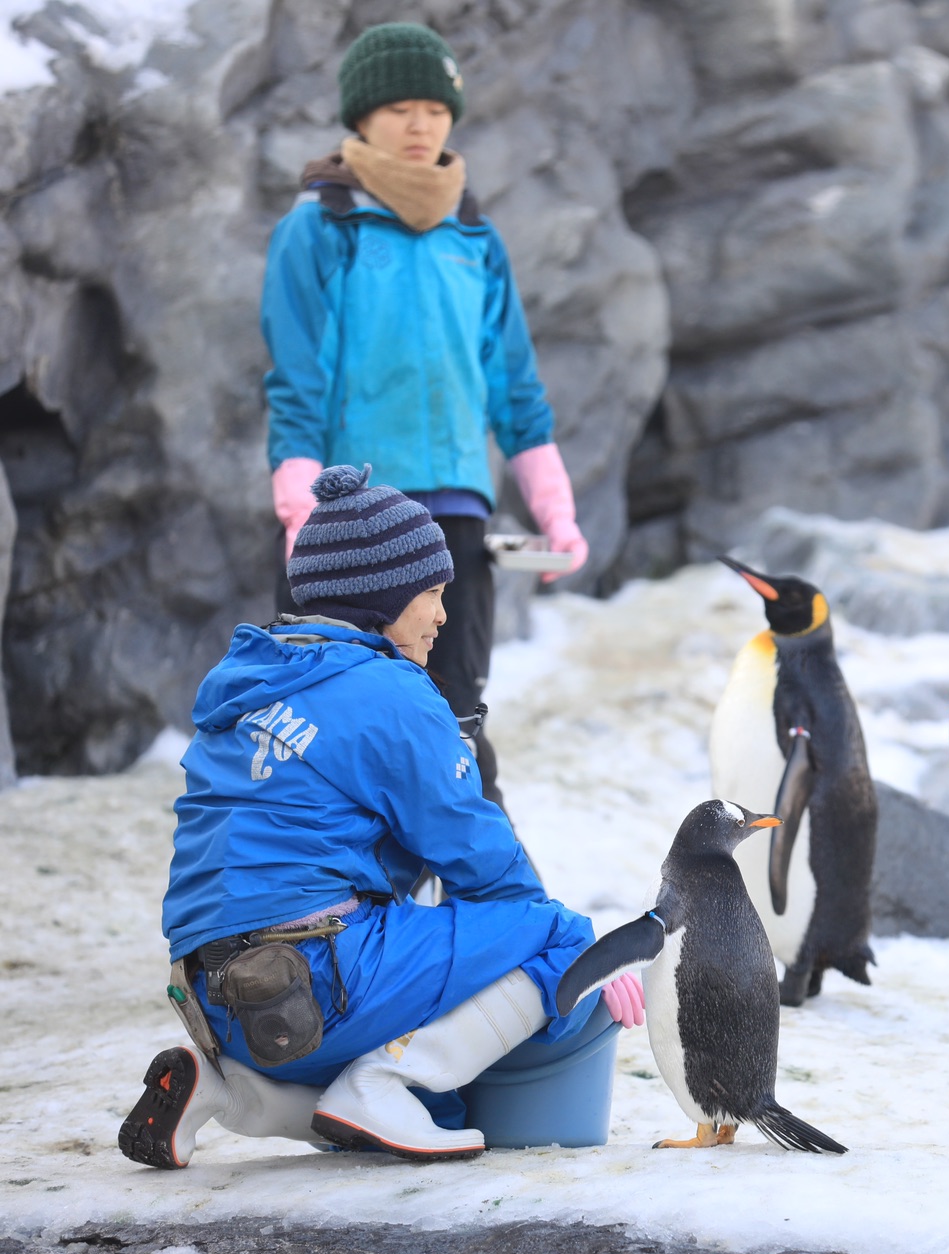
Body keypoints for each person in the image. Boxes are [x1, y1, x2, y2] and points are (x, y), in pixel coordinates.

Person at [119, 467, 643, 1169]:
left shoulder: (249, 686)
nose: (442, 616)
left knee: (442, 1109)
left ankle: (227, 1089)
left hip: (216, 997)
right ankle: (389, 1082)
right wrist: (569, 970)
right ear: (383, 598)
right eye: (432, 593)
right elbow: (475, 851)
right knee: (557, 934)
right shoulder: (385, 691)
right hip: (314, 974)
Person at [262, 21, 588, 808]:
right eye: (401, 107)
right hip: (351, 522)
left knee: (454, 722)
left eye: (435, 109)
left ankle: (492, 912)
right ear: (362, 117)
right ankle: (341, 911)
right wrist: (300, 502)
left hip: (455, 518)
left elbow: (512, 382)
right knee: (337, 721)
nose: (420, 126)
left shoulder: (473, 236)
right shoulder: (319, 226)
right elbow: (295, 378)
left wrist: (551, 502)